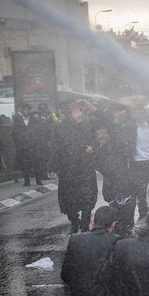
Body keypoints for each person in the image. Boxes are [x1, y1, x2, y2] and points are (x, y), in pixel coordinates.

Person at [61, 205, 120, 296]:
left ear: (93, 222)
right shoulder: (117, 242)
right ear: (113, 225)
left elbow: (65, 275)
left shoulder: (75, 240)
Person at [48, 99, 98, 234]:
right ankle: (74, 221)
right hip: (67, 168)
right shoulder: (59, 127)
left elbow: (97, 139)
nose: (77, 113)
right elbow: (55, 148)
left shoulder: (89, 125)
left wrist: (93, 147)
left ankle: (85, 223)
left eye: (79, 109)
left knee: (88, 197)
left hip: (85, 167)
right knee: (69, 198)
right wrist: (52, 167)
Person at [93, 122, 135, 237]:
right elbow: (100, 168)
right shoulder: (98, 151)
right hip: (111, 191)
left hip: (125, 190)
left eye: (103, 133)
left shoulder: (117, 146)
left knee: (127, 224)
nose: (100, 136)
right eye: (98, 134)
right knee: (115, 224)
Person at [13, 102, 44, 186]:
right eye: (24, 110)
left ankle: (38, 180)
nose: (26, 111)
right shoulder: (18, 121)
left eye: (27, 110)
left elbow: (39, 132)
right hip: (23, 146)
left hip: (33, 145)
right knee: (25, 164)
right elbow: (15, 133)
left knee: (36, 163)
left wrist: (37, 141)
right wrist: (19, 142)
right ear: (22, 111)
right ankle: (27, 181)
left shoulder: (35, 120)